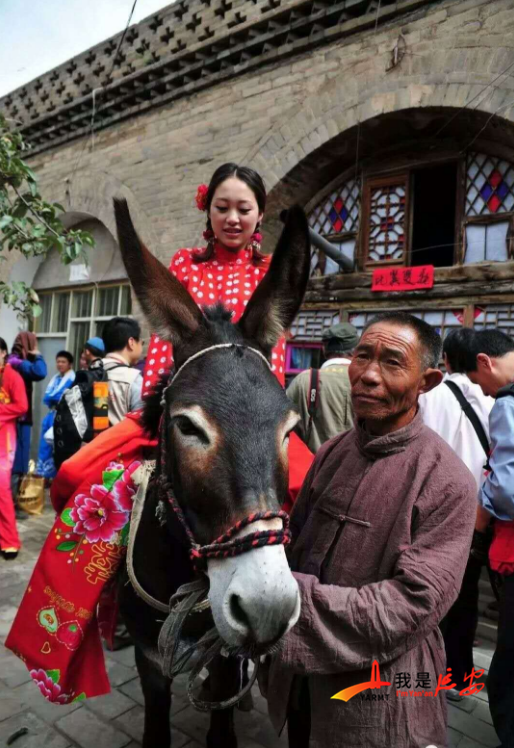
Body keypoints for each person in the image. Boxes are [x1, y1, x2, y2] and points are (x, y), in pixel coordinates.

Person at [5, 163, 314, 702]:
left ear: (259, 215)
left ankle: (306, 625)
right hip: (177, 402)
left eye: (244, 209)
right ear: (207, 211)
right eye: (223, 207)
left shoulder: (267, 275)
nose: (233, 218)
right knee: (78, 474)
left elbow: (273, 361)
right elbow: (164, 347)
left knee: (315, 494)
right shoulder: (183, 266)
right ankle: (99, 612)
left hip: (252, 416)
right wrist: (155, 411)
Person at [264, 311, 477, 748]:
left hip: (377, 690)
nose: (369, 377)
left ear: (428, 381)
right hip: (299, 678)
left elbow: (411, 605)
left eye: (393, 363)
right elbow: (296, 539)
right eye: (363, 356)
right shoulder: (332, 452)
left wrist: (288, 596)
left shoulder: (447, 479)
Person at [419, 328, 494, 701]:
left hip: (435, 510)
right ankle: (460, 676)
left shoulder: (430, 395)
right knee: (465, 598)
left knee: (429, 591)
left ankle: (428, 670)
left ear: (444, 358)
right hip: (481, 514)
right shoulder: (493, 396)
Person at [465, 328, 514, 748]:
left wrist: (484, 490)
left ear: (486, 362)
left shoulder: (508, 403)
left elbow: (508, 493)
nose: (481, 389)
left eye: (478, 381)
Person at [286, 322, 359, 452]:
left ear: (324, 349)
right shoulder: (365, 380)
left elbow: (282, 423)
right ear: (355, 350)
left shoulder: (304, 380)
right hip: (357, 468)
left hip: (312, 466)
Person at [8, 332, 47, 520]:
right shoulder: (14, 361)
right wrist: (38, 354)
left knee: (20, 462)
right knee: (16, 462)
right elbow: (40, 372)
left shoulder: (16, 360)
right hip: (17, 419)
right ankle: (10, 506)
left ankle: (13, 503)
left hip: (21, 418)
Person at [0, 336, 28, 559]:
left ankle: (10, 541)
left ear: (3, 353)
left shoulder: (12, 377)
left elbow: (22, 406)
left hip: (4, 439)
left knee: (2, 490)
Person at [36, 351, 75, 480]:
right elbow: (47, 398)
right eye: (58, 361)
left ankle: (56, 477)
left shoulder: (72, 379)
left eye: (63, 362)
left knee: (58, 447)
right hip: (51, 414)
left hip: (62, 416)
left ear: (70, 364)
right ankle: (44, 475)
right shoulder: (56, 378)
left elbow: (58, 396)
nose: (60, 364)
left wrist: (54, 398)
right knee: (45, 445)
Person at [101, 317, 143, 426]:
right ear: (131, 342)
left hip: (86, 443)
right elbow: (141, 425)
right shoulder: (133, 378)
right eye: (141, 343)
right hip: (117, 442)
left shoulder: (89, 371)